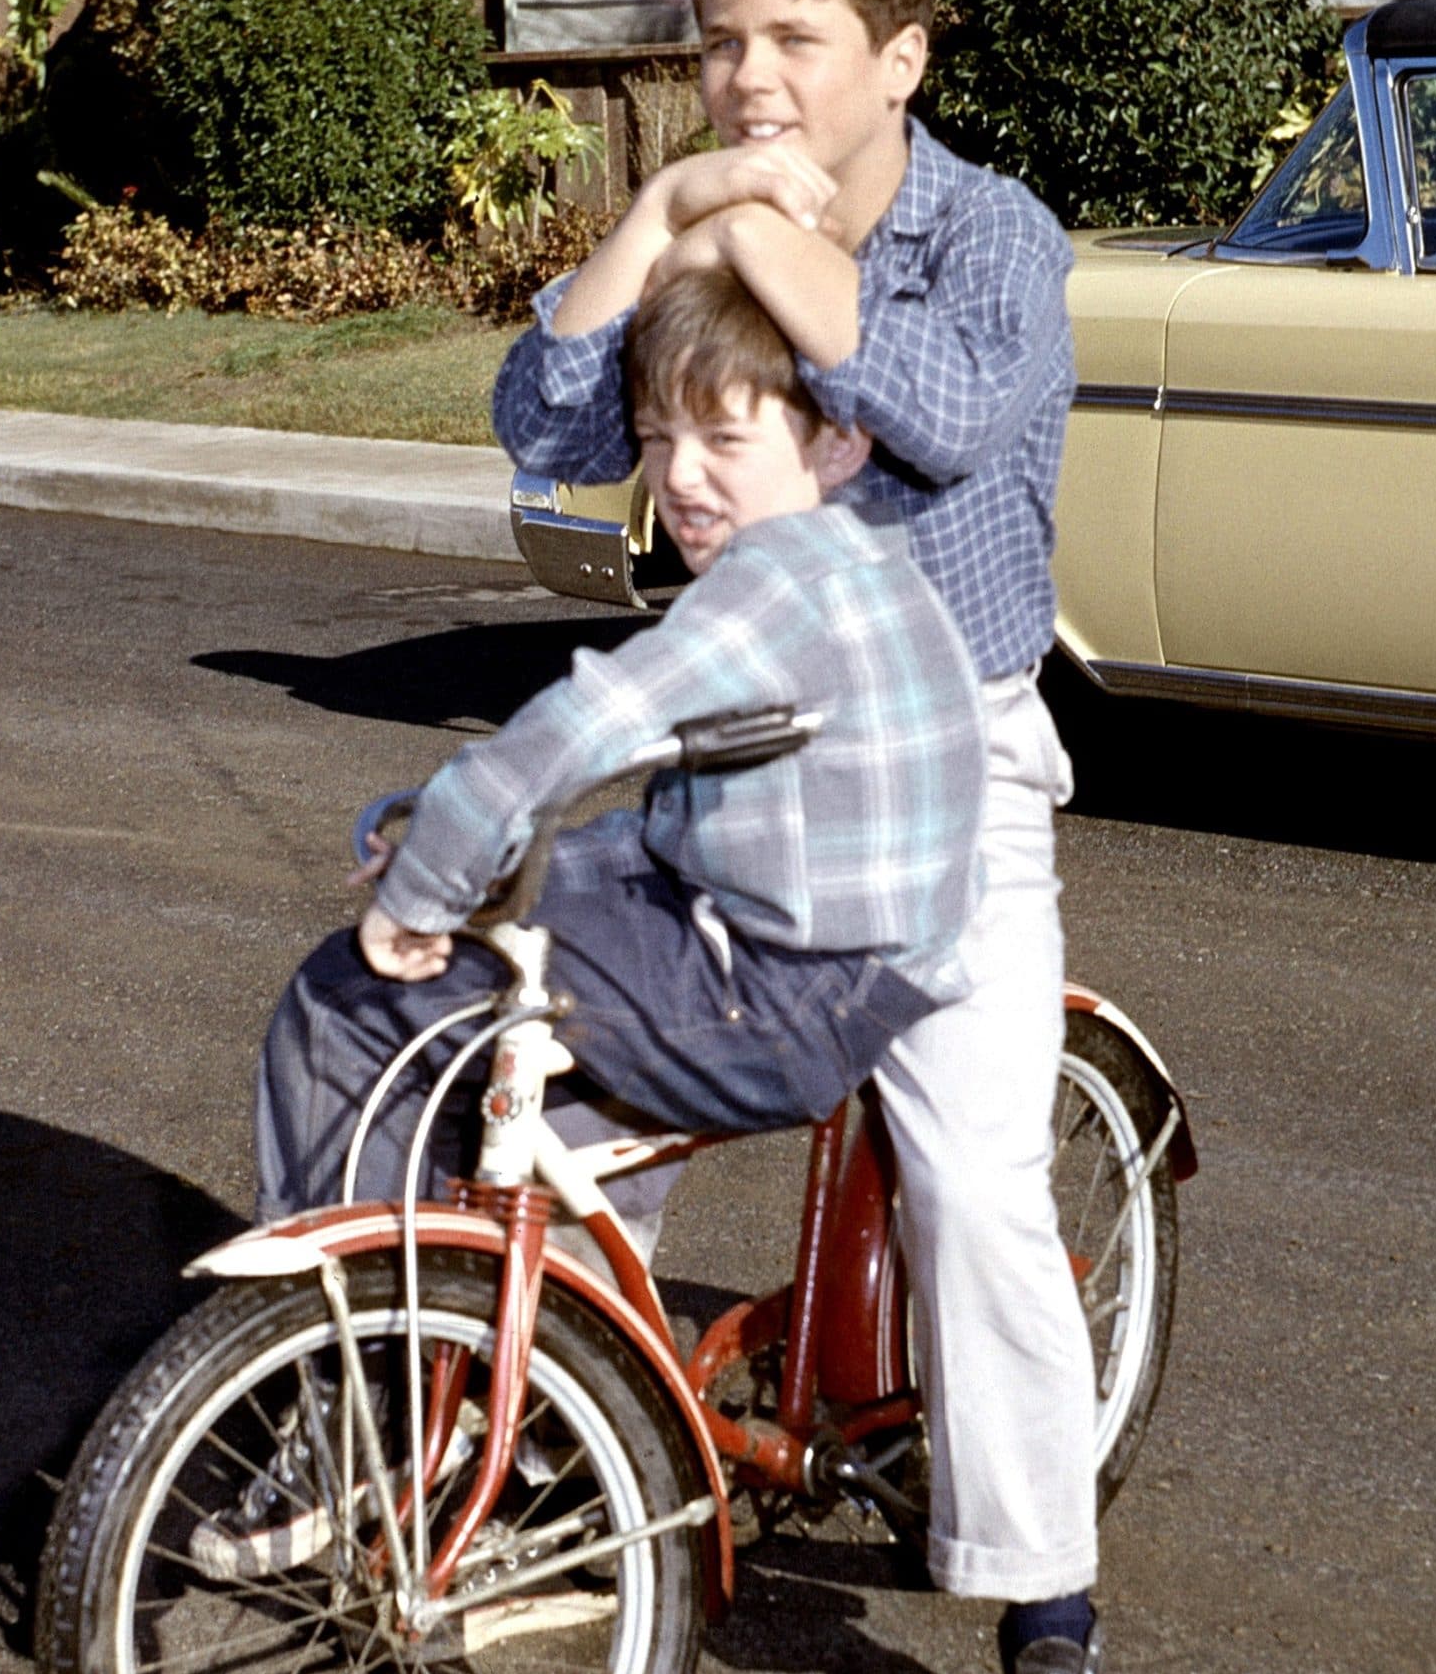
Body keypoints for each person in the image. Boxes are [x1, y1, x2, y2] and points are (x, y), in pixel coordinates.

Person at [489, 0, 1108, 1674]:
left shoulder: (987, 236)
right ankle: (539, 1465)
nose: (743, 72)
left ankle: (1045, 1637)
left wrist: (754, 230)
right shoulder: (711, 217)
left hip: (943, 785)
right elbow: (539, 425)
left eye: (791, 38)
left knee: (972, 1179)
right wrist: (659, 219)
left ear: (896, 57)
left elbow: (931, 415)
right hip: (729, 750)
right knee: (578, 1105)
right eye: (717, 38)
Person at [253, 261, 985, 1262]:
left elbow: (574, 732)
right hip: (854, 967)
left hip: (785, 996)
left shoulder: (772, 588)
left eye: (724, 438)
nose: (679, 475)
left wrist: (421, 888)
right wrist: (482, 858)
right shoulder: (857, 558)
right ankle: (580, 1318)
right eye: (656, 437)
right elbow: (673, 834)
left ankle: (348, 1368)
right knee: (549, 963)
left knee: (352, 999)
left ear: (836, 439)